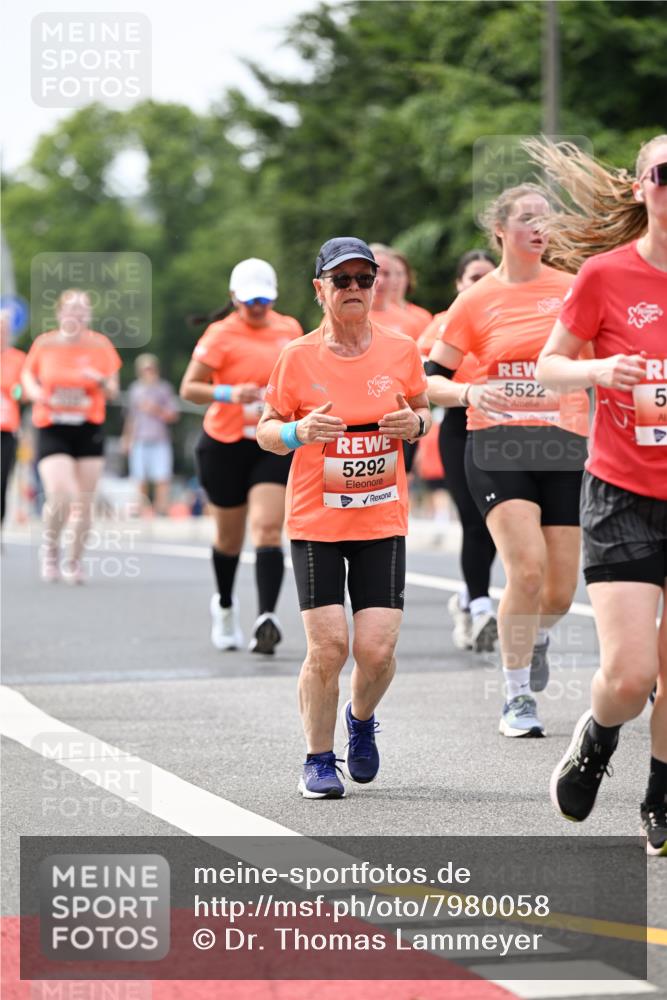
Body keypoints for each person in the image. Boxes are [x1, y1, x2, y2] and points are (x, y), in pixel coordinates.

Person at [529, 135, 667, 855]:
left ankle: (661, 794)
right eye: (665, 174)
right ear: (642, 186)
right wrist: (600, 369)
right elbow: (549, 366)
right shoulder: (603, 276)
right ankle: (596, 738)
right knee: (630, 673)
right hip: (621, 492)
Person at [257, 237, 431, 799]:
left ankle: (360, 719)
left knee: (376, 651)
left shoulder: (402, 350)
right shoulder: (297, 356)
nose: (354, 289)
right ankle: (317, 757)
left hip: (382, 518)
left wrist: (417, 427)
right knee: (329, 647)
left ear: (376, 285)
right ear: (320, 290)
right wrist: (297, 432)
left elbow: (422, 409)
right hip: (317, 522)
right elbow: (266, 429)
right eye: (342, 280)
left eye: (364, 279)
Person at [426, 185, 590, 737]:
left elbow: (599, 364)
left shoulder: (572, 290)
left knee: (561, 590)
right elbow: (429, 382)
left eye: (547, 219)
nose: (540, 228)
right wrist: (469, 395)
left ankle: (536, 636)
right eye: (527, 219)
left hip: (563, 445)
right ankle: (517, 698)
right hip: (496, 444)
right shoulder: (474, 300)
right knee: (526, 567)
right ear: (500, 230)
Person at [180, 258, 302, 655]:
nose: (257, 307)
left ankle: (266, 618)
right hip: (225, 442)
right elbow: (189, 388)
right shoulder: (220, 335)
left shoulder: (289, 329)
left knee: (268, 528)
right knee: (229, 538)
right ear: (234, 298)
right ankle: (226, 607)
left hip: (271, 441)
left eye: (264, 299)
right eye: (249, 300)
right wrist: (230, 393)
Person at [420, 250, 498, 652]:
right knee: (472, 518)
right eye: (473, 278)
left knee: (497, 525)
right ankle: (482, 607)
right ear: (458, 284)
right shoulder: (442, 324)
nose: (481, 285)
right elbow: (420, 372)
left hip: (504, 431)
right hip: (458, 428)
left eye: (489, 276)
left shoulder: (507, 316)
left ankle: (468, 599)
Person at [21, 289, 121, 583]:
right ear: (60, 313)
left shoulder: (100, 345)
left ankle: (73, 561)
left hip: (87, 428)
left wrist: (99, 380)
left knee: (84, 501)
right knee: (60, 493)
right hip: (52, 425)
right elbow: (27, 376)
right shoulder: (45, 343)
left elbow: (113, 389)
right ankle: (50, 548)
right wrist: (35, 391)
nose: (76, 315)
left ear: (88, 315)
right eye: (71, 309)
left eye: (82, 310)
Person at [122, 353, 179, 516]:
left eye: (151, 368)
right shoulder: (135, 389)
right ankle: (141, 508)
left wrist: (154, 409)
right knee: (139, 476)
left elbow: (173, 415)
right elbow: (130, 417)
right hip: (139, 438)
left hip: (160, 438)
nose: (148, 372)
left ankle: (161, 509)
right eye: (145, 369)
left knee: (162, 476)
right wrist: (126, 438)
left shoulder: (164, 388)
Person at [1, 310, 27, 531]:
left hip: (6, 429)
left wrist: (14, 390)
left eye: (4, 330)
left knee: (1, 482)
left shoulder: (18, 359)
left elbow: (23, 392)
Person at [388, 249, 432, 342]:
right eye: (388, 274)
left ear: (408, 277)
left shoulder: (423, 317)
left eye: (399, 274)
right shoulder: (366, 317)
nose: (394, 280)